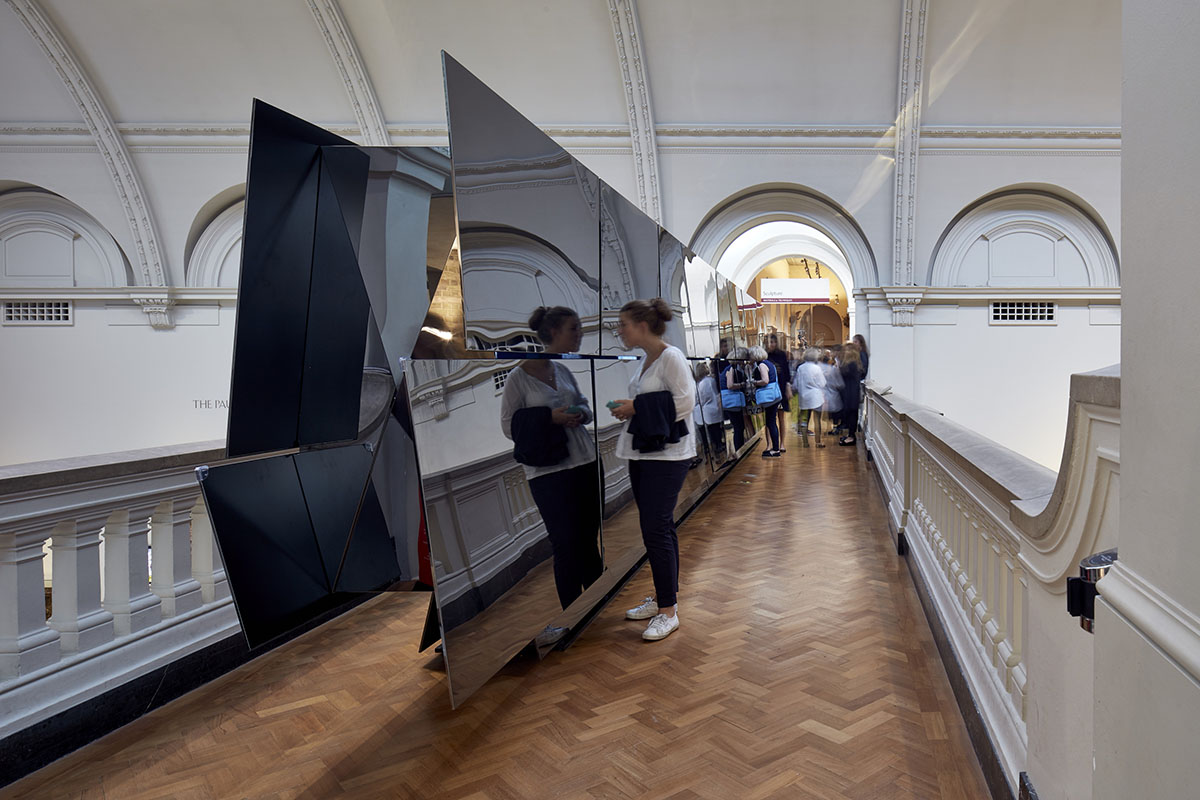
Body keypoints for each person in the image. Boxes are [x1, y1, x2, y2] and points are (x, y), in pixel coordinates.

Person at [500, 306, 603, 646]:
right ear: (553, 333)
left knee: (589, 539)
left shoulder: (562, 369)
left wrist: (579, 414)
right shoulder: (518, 377)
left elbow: (586, 405)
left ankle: (598, 605)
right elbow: (508, 426)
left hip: (584, 462)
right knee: (566, 545)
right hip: (549, 474)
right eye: (574, 329)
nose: (579, 334)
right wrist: (551, 418)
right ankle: (571, 616)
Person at [609, 298, 695, 642]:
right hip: (645, 452)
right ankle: (663, 598)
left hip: (668, 455)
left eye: (623, 324)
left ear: (642, 326)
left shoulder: (671, 357)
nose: (619, 331)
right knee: (656, 529)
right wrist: (632, 409)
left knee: (656, 529)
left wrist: (636, 407)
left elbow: (685, 401)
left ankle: (668, 611)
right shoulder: (647, 359)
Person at [749, 345, 782, 457]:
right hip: (774, 396)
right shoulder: (768, 363)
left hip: (770, 398)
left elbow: (765, 380)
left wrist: (754, 382)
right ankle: (775, 447)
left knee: (771, 422)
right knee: (771, 422)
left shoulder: (762, 365)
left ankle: (776, 449)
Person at [794, 347, 827, 448]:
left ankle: (805, 442)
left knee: (804, 419)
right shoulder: (816, 368)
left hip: (804, 396)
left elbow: (797, 383)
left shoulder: (800, 368)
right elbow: (823, 383)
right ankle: (818, 442)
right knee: (817, 419)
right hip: (816, 397)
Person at [693, 361, 726, 463]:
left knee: (711, 433)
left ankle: (713, 449)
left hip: (707, 410)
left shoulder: (701, 384)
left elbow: (701, 398)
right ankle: (719, 447)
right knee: (717, 431)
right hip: (715, 408)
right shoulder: (712, 380)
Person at [765, 334, 791, 452]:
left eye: (773, 342)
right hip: (768, 389)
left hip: (780, 387)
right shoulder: (764, 356)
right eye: (769, 342)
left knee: (781, 417)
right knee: (769, 419)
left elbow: (786, 372)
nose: (771, 345)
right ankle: (769, 443)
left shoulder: (781, 355)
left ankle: (782, 443)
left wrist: (787, 387)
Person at [839, 342, 864, 446]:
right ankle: (850, 435)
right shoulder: (855, 364)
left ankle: (851, 436)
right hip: (852, 392)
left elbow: (844, 373)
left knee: (851, 414)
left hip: (851, 393)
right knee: (851, 414)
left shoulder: (851, 364)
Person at [820, 350, 843, 434]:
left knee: (834, 412)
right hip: (833, 392)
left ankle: (835, 427)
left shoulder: (830, 368)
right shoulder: (833, 368)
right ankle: (835, 427)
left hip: (831, 392)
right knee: (834, 412)